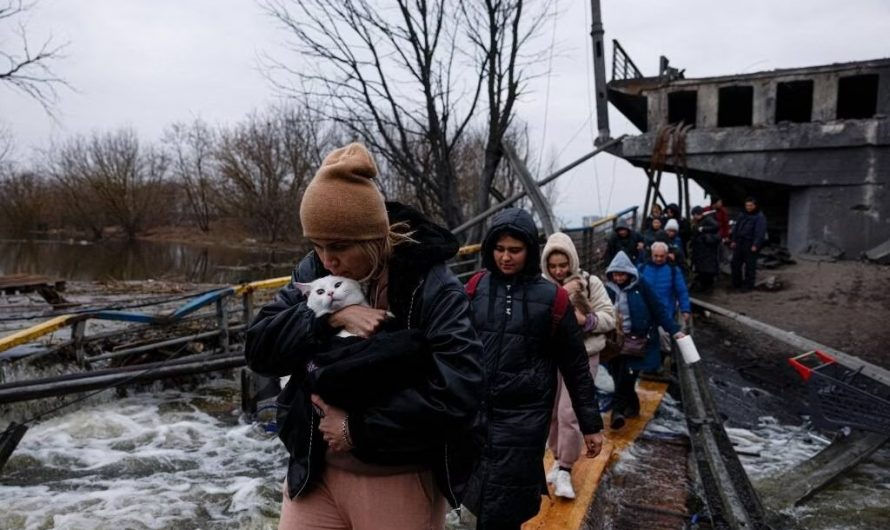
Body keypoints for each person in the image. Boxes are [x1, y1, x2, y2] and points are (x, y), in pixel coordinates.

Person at [244, 143, 484, 530]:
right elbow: (259, 349)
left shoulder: (432, 285)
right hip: (314, 471)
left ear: (373, 238)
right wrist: (330, 318)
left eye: (338, 246)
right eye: (317, 245)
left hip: (397, 477)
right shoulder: (314, 269)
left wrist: (357, 429)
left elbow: (460, 390)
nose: (327, 260)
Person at [461, 209, 604, 530]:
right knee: (478, 491)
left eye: (515, 250)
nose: (506, 257)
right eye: (499, 249)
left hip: (525, 417)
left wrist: (590, 424)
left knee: (507, 500)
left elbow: (575, 365)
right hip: (477, 413)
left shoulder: (552, 299)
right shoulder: (475, 288)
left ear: (529, 250)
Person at [541, 232, 617, 500]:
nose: (559, 270)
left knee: (568, 413)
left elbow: (610, 317)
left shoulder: (589, 282)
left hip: (583, 355)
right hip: (551, 357)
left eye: (563, 265)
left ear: (571, 261)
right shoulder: (542, 287)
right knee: (550, 411)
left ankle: (565, 468)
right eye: (553, 266)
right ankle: (557, 457)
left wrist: (586, 321)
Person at [604, 251, 685, 429]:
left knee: (627, 376)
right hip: (614, 342)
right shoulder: (607, 290)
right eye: (615, 274)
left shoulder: (641, 286)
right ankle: (633, 407)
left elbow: (658, 309)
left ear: (629, 273)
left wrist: (674, 330)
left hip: (636, 342)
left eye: (622, 274)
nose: (618, 278)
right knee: (618, 377)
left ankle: (616, 413)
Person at [638, 242, 691, 365]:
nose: (658, 259)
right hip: (645, 312)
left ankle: (663, 362)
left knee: (664, 337)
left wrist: (685, 309)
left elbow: (682, 291)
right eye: (656, 256)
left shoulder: (673, 270)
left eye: (662, 256)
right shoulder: (642, 268)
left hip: (665, 312)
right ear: (651, 254)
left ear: (667, 255)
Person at [731, 196, 767, 292]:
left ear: (755, 206)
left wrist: (756, 244)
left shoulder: (759, 217)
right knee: (735, 263)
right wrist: (734, 240)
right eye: (747, 205)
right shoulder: (742, 215)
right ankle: (736, 283)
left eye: (750, 205)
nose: (748, 207)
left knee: (750, 266)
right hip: (739, 242)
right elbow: (736, 228)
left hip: (750, 243)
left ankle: (748, 286)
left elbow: (760, 232)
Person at [690, 206, 721, 293]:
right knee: (703, 270)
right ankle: (704, 287)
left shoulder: (707, 219)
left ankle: (708, 287)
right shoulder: (700, 221)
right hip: (701, 250)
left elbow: (716, 226)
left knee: (707, 270)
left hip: (707, 250)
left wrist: (702, 229)